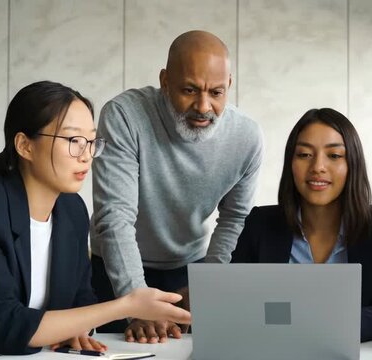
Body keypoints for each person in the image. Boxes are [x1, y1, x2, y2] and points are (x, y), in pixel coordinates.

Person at [0, 81, 191, 359]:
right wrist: (127, 306)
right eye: (73, 141)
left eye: (91, 142)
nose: (86, 155)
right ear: (25, 146)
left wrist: (76, 328)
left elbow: (81, 300)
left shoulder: (72, 210)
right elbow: (3, 325)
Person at [90, 30, 263, 341]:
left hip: (191, 268)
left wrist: (207, 285)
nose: (203, 106)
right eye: (189, 89)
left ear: (230, 86)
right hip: (115, 269)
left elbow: (235, 219)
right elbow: (115, 216)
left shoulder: (247, 137)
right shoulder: (124, 115)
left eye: (216, 93)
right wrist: (135, 299)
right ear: (165, 81)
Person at [231, 108, 372, 342]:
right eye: (304, 154)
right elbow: (235, 301)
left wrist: (324, 326)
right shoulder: (261, 223)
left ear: (352, 164)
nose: (318, 166)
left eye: (334, 156)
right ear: (291, 163)